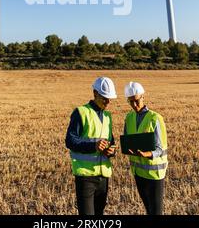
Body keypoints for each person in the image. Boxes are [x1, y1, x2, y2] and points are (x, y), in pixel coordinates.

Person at [65, 76, 117, 215]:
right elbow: (70, 141)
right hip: (86, 177)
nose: (108, 101)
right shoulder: (81, 112)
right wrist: (93, 145)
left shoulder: (107, 116)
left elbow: (111, 142)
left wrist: (111, 151)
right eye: (105, 97)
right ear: (95, 93)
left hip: (104, 177)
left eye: (110, 98)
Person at [123, 81, 168, 215]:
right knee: (149, 210)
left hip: (154, 174)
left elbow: (161, 149)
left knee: (156, 212)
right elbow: (127, 141)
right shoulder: (129, 117)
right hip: (138, 172)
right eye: (130, 102)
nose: (134, 105)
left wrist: (148, 154)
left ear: (143, 97)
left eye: (136, 100)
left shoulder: (155, 118)